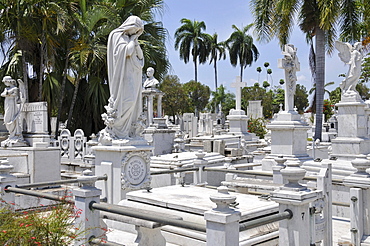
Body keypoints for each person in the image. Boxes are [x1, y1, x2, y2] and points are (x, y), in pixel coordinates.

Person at [106, 16, 144, 139]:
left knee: (134, 101)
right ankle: (119, 128)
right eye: (135, 29)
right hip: (122, 75)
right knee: (128, 100)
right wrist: (132, 40)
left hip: (132, 74)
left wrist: (135, 41)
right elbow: (126, 52)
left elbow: (140, 57)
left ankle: (128, 130)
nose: (136, 32)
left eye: (138, 31)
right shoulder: (117, 35)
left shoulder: (130, 38)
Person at [1, 76, 22, 141]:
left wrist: (7, 93)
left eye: (5, 82)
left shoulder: (15, 88)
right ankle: (11, 134)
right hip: (7, 103)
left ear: (8, 81)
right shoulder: (6, 88)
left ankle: (13, 133)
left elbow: (15, 95)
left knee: (9, 119)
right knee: (6, 119)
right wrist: (8, 94)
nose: (4, 83)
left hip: (12, 104)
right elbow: (2, 94)